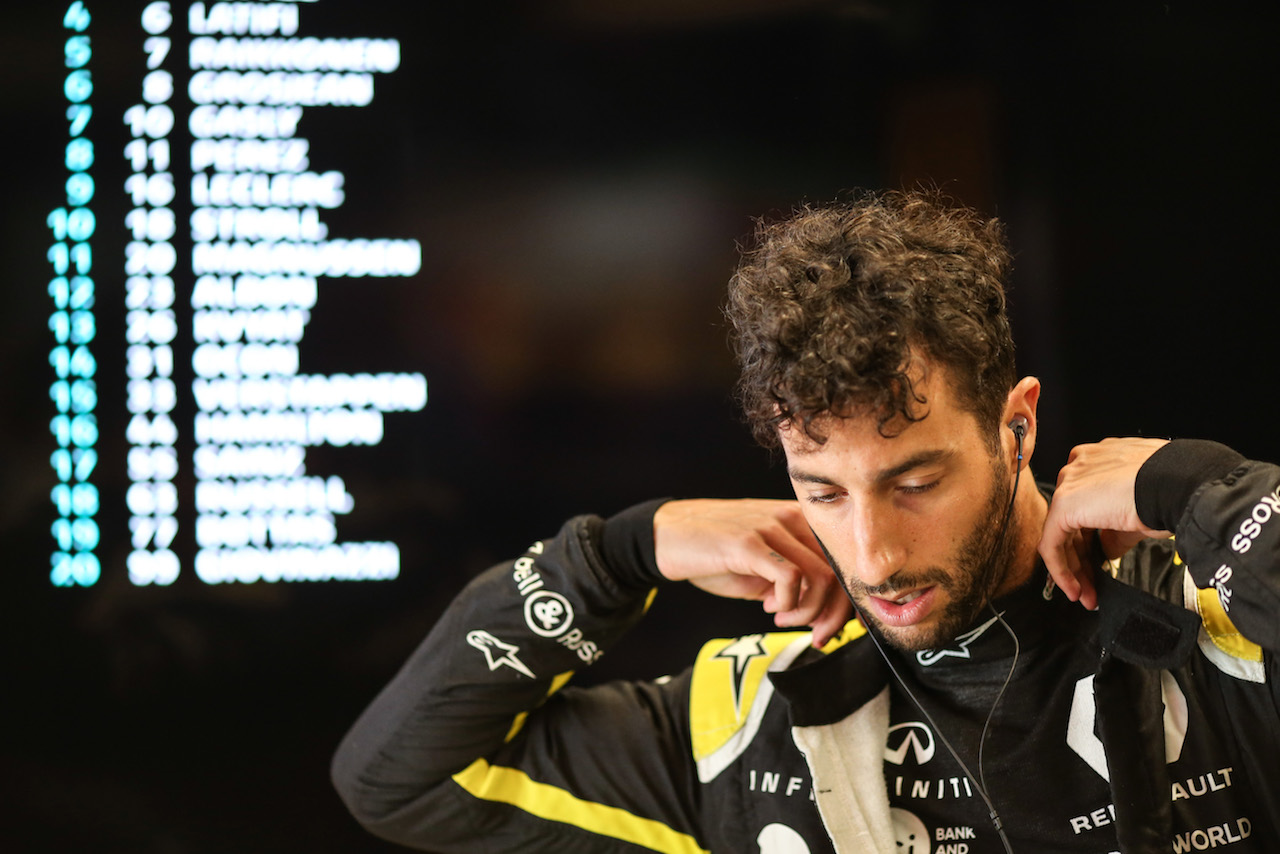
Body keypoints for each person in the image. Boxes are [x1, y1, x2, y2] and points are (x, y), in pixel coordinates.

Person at [331, 191, 1279, 853]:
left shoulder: (1222, 629)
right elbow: (397, 781)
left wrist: (1200, 491)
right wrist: (619, 555)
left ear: (1016, 425)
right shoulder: (751, 719)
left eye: (916, 481)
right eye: (823, 489)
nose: (875, 555)